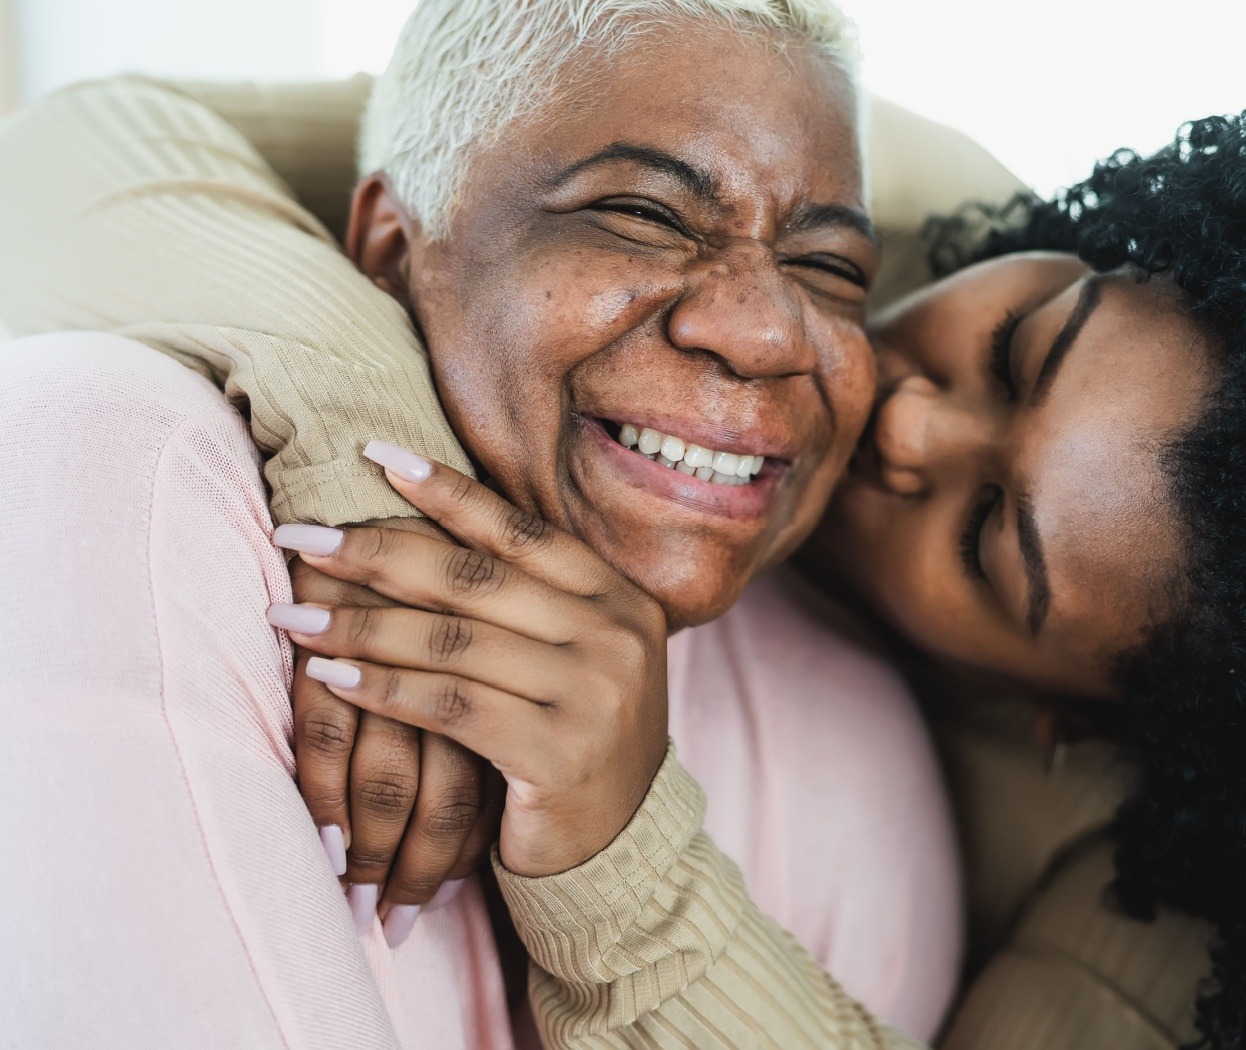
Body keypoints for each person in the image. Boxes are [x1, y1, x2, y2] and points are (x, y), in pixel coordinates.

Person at [0, 1, 983, 1046]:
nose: (762, 331)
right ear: (388, 245)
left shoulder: (854, 739)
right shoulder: (123, 476)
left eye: (830, 270)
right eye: (644, 213)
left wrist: (622, 868)